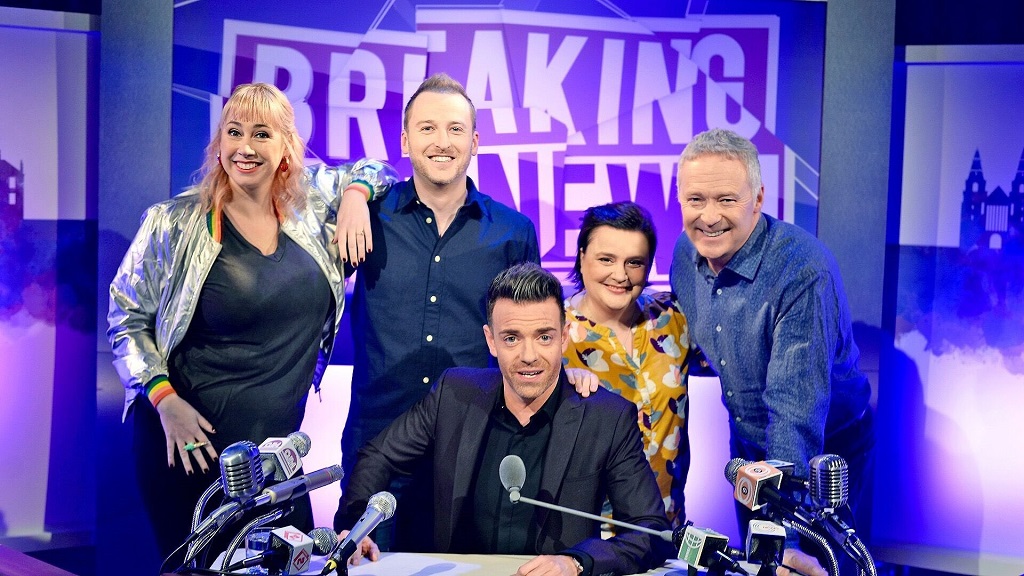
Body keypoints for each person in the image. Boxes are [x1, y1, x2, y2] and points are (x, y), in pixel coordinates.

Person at [107, 82, 397, 560]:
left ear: (286, 146)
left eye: (261, 134)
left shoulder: (312, 212)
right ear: (219, 143)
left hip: (278, 465)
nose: (244, 147)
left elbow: (378, 171)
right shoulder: (173, 222)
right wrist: (164, 400)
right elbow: (126, 318)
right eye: (233, 132)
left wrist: (355, 196)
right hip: (191, 455)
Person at [334, 262, 674, 576]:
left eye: (544, 337)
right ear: (491, 340)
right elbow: (378, 455)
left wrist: (576, 563)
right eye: (512, 338)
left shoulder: (606, 416)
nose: (529, 356)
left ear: (564, 337)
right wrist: (356, 525)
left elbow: (651, 531)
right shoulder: (455, 393)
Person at [334, 72, 541, 550]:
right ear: (405, 140)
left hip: (477, 446)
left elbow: (533, 337)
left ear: (474, 141)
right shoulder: (369, 216)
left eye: (454, 129)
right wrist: (354, 191)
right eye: (427, 128)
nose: (441, 142)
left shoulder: (512, 231)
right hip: (377, 447)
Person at [670, 128, 873, 574]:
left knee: (815, 567)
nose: (709, 216)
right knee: (763, 565)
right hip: (749, 444)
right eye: (695, 199)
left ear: (758, 199)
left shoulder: (802, 271)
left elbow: (795, 413)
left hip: (824, 455)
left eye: (726, 199)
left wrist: (787, 540)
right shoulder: (685, 254)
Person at [562, 201, 692, 526]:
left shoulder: (672, 317)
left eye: (634, 263)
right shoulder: (551, 334)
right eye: (606, 259)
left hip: (668, 532)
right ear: (581, 257)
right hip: (588, 542)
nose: (620, 275)